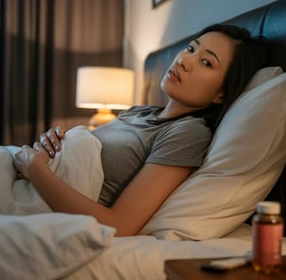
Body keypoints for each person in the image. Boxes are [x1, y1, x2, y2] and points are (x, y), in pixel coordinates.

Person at [14, 24, 267, 237]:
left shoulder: (187, 133)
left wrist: (36, 170)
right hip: (23, 179)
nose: (184, 60)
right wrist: (53, 146)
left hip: (36, 197)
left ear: (222, 94)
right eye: (191, 48)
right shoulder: (139, 111)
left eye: (205, 62)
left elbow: (119, 225)